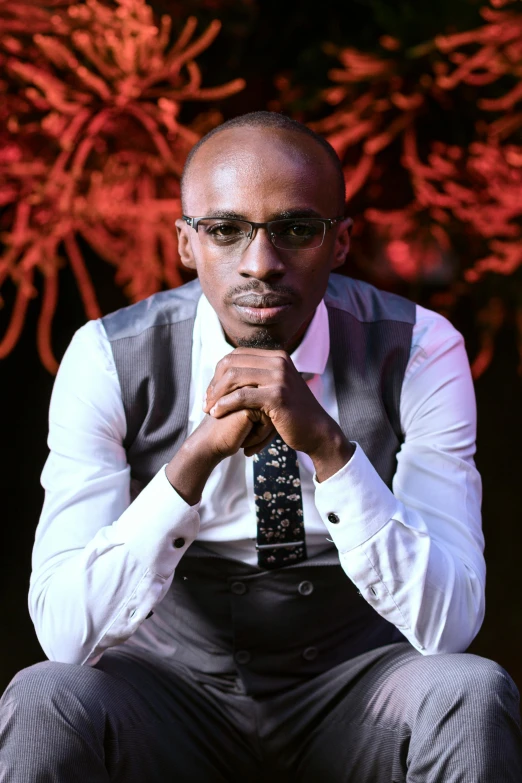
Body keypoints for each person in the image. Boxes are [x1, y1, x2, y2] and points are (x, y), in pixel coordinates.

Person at [0, 111, 520, 782]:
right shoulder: (107, 357)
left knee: (468, 690)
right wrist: (193, 459)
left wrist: (332, 450)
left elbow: (449, 626)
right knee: (47, 698)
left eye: (296, 230)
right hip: (167, 694)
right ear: (188, 244)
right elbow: (67, 636)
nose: (260, 264)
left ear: (339, 242)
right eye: (224, 230)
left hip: (359, 690)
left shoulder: (419, 348)